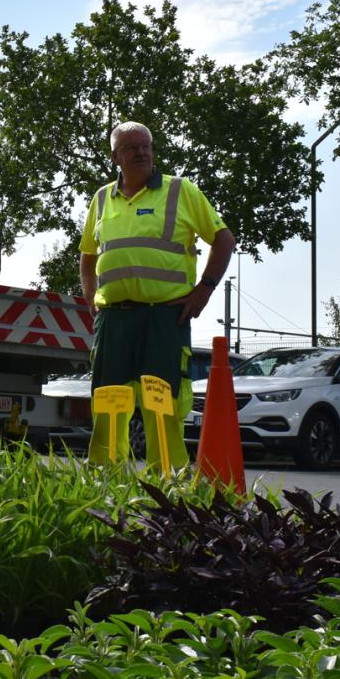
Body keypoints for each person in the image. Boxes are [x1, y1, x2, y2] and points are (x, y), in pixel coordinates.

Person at [79, 121, 235, 469]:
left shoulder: (180, 191)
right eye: (131, 147)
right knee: (108, 401)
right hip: (113, 318)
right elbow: (87, 256)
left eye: (146, 145)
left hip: (165, 316)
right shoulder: (102, 198)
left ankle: (168, 480)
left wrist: (203, 291)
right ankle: (105, 476)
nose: (141, 152)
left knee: (161, 400)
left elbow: (224, 239)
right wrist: (91, 297)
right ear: (115, 157)